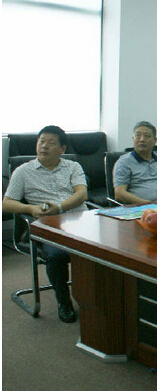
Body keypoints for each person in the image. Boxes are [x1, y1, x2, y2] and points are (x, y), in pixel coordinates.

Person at [3, 125, 88, 323]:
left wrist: (59, 207)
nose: (44, 146)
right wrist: (31, 208)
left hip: (79, 221)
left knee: (104, 249)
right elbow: (6, 203)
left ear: (62, 149)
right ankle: (64, 301)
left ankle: (95, 296)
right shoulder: (23, 171)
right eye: (41, 141)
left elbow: (82, 194)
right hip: (48, 224)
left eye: (51, 142)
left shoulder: (73, 167)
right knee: (56, 255)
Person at [113, 121, 157, 204]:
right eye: (138, 135)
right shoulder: (124, 162)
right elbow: (119, 193)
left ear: (155, 141)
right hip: (140, 207)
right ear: (133, 138)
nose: (142, 140)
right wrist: (147, 204)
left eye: (147, 136)